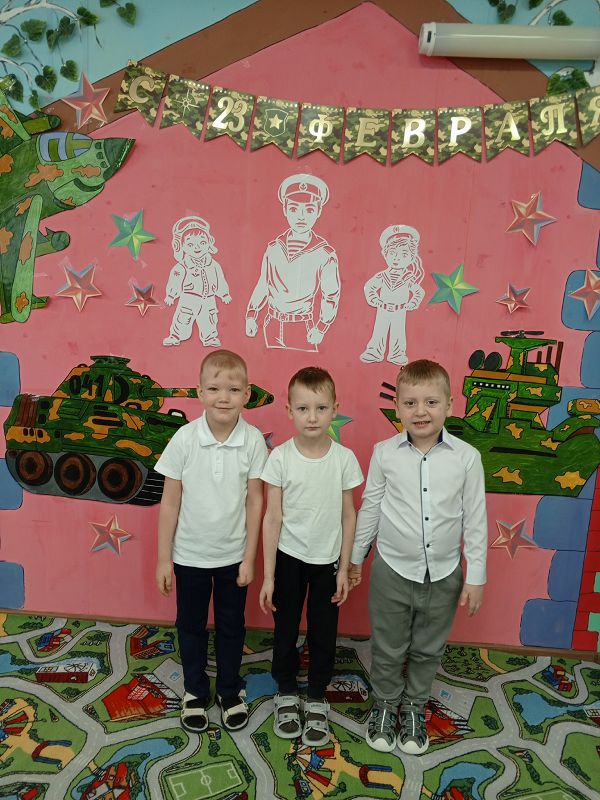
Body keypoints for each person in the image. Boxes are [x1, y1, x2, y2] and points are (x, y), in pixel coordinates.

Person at [349, 359, 487, 755]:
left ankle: (413, 707)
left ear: (450, 405)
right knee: (388, 646)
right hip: (392, 569)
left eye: (431, 402)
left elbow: (475, 519)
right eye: (410, 403)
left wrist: (475, 576)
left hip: (444, 574)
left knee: (428, 648)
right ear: (397, 408)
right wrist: (356, 557)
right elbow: (371, 507)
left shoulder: (467, 458)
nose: (420, 411)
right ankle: (385, 704)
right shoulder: (384, 453)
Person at [155, 350, 267, 734]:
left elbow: (255, 501)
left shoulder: (253, 441)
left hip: (233, 556)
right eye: (215, 389)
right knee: (190, 626)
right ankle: (195, 691)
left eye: (233, 390)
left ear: (246, 394)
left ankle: (230, 691)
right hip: (189, 557)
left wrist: (250, 558)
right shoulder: (184, 439)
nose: (224, 397)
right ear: (200, 392)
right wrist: (164, 558)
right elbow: (170, 502)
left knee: (232, 627)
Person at [259, 366, 363, 746]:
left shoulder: (344, 459)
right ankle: (286, 690)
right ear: (289, 411)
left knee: (323, 632)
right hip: (288, 559)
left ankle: (317, 695)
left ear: (335, 409)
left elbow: (349, 515)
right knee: (285, 629)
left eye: (321, 408)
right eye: (303, 408)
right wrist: (268, 576)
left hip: (327, 563)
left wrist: (345, 567)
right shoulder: (280, 459)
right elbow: (272, 517)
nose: (313, 417)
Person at [245, 175, 340, 352]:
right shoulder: (273, 248)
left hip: (301, 326)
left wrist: (321, 327)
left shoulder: (324, 254)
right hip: (272, 323)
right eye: (294, 209)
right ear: (285, 210)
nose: (301, 217)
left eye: (309, 210)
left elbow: (331, 294)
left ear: (319, 211)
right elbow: (263, 284)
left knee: (306, 369)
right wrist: (252, 314)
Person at [360, 225, 425, 366]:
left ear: (412, 258)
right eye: (392, 253)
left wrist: (412, 303)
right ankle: (374, 351)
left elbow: (419, 292)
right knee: (379, 330)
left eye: (403, 254)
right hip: (383, 308)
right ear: (385, 254)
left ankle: (397, 353)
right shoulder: (382, 276)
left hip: (399, 309)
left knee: (398, 332)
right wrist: (376, 300)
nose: (396, 258)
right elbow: (370, 287)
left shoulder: (408, 278)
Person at [163, 216, 231, 348]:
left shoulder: (213, 265)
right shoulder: (182, 266)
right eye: (190, 244)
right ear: (181, 246)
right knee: (183, 318)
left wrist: (224, 294)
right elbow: (175, 280)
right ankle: (176, 336)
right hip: (189, 298)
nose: (197, 247)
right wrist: (171, 295)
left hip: (208, 299)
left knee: (209, 319)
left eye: (202, 242)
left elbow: (220, 279)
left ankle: (210, 337)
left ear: (209, 243)